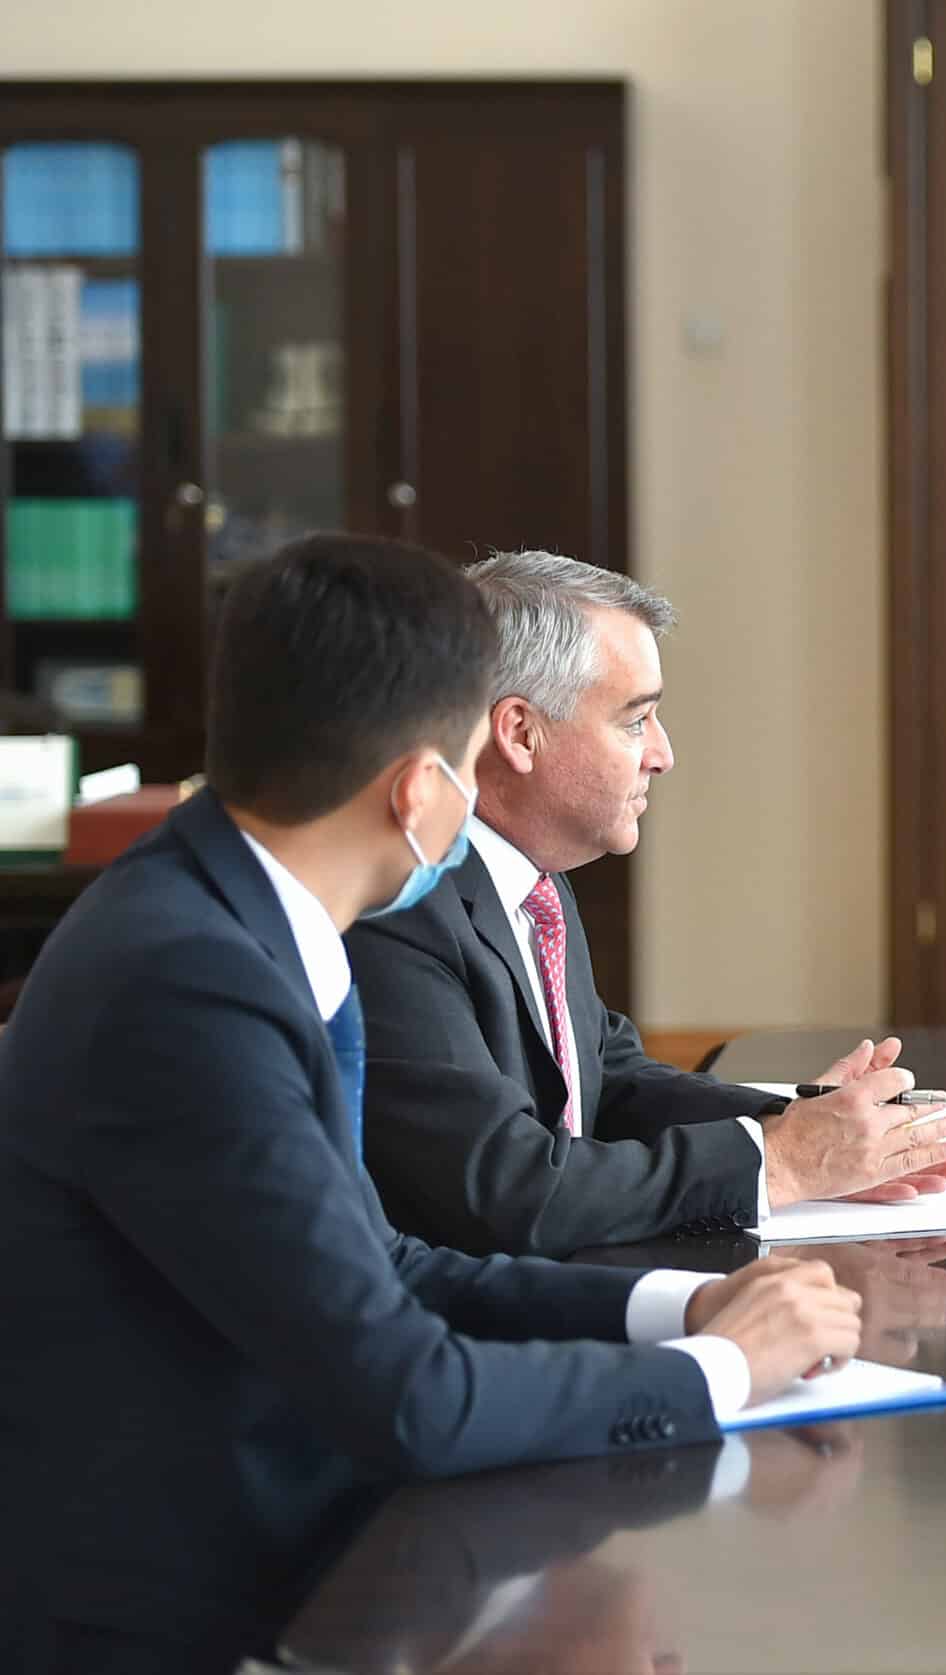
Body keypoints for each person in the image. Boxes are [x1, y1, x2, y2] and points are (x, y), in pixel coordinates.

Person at [0, 536, 870, 1671]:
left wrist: (685, 1307)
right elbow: (409, 1394)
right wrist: (720, 1373)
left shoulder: (240, 915)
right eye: (470, 764)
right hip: (178, 1608)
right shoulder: (191, 978)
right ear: (421, 791)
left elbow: (390, 1268)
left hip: (282, 1543)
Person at [346, 550, 946, 1256]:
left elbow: (604, 1083)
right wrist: (782, 1161)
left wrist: (807, 1125)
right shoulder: (399, 907)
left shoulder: (531, 878)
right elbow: (504, 1189)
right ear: (520, 733)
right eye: (636, 720)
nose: (662, 754)